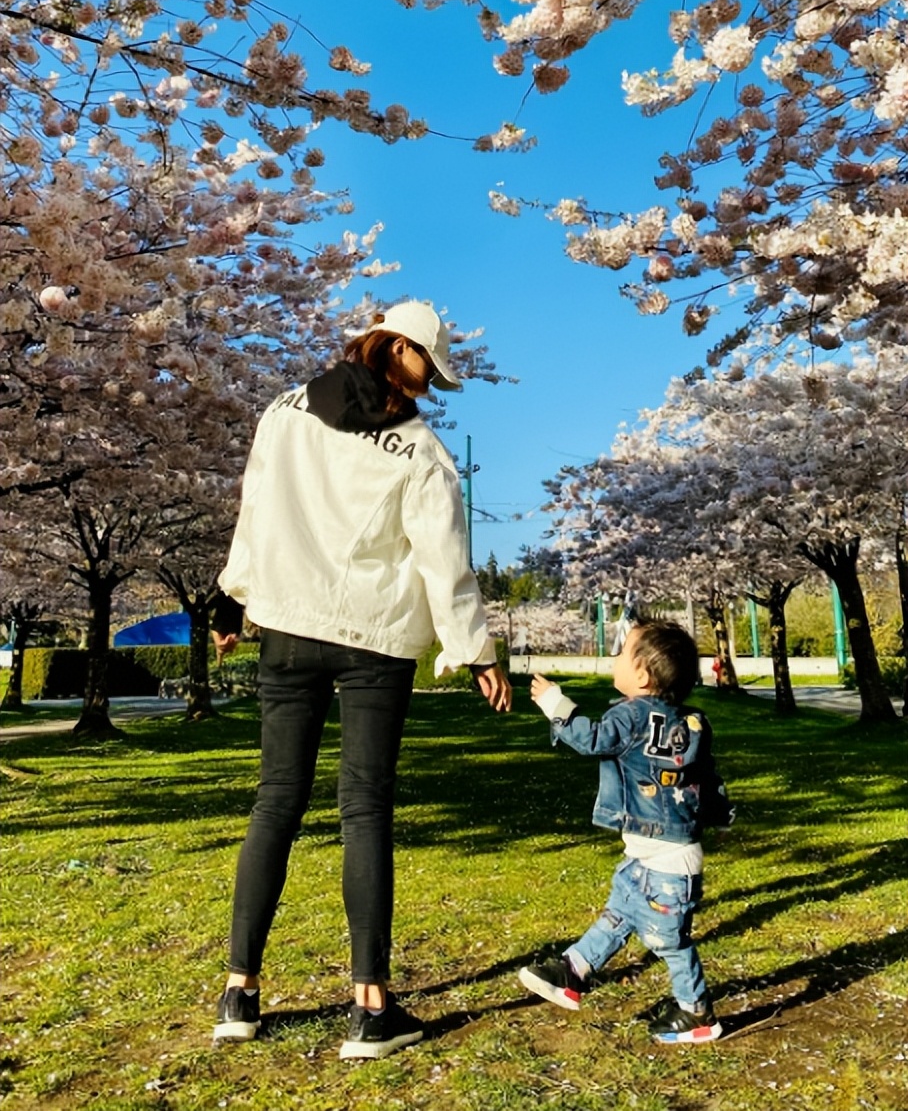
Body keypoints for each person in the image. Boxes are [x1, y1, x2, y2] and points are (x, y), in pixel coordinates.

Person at [210, 301, 512, 1059]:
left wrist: (231, 597)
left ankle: (239, 992)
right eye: (427, 367)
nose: (431, 387)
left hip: (286, 624)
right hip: (374, 639)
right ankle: (370, 1007)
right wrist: (475, 650)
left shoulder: (283, 412)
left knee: (276, 801)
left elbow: (257, 507)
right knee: (364, 809)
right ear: (397, 346)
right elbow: (444, 558)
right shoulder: (418, 450)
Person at [519, 619, 732, 1044]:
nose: (614, 658)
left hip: (665, 864)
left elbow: (594, 739)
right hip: (659, 852)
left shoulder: (631, 715)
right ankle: (573, 971)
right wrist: (719, 810)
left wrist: (556, 704)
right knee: (619, 912)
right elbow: (704, 775)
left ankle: (696, 1013)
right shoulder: (692, 722)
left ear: (641, 674)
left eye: (621, 653)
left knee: (668, 940)